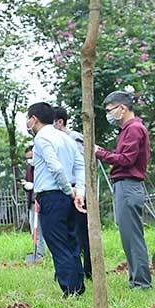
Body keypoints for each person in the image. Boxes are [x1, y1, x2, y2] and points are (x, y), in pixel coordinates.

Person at [25, 102, 86, 297]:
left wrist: (69, 190)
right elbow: (80, 165)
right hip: (69, 196)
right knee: (72, 242)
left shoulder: (41, 139)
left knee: (57, 243)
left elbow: (56, 167)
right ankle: (78, 285)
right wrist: (79, 191)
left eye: (28, 118)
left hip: (52, 195)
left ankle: (70, 289)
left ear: (34, 118)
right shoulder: (65, 138)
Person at [97, 90, 152, 289]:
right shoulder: (128, 129)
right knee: (128, 237)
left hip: (128, 185)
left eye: (110, 110)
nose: (109, 114)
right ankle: (136, 280)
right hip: (125, 186)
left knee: (132, 237)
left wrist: (100, 153)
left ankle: (142, 283)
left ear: (122, 108)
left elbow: (126, 159)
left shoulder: (134, 129)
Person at [53, 107, 91, 279]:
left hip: (79, 190)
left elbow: (84, 165)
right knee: (64, 233)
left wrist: (81, 190)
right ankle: (67, 271)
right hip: (62, 190)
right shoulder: (53, 140)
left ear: (60, 122)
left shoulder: (74, 138)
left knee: (82, 232)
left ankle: (88, 270)